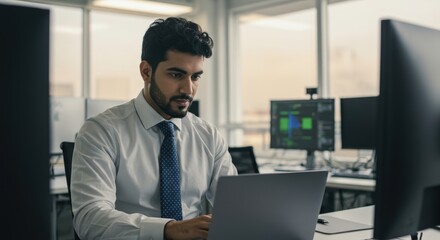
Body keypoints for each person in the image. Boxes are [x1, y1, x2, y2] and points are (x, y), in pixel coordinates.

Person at [71, 17, 237, 240]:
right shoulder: (101, 131)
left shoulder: (208, 136)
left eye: (195, 76)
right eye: (176, 75)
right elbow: (89, 219)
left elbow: (234, 210)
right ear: (146, 71)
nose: (188, 89)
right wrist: (168, 230)